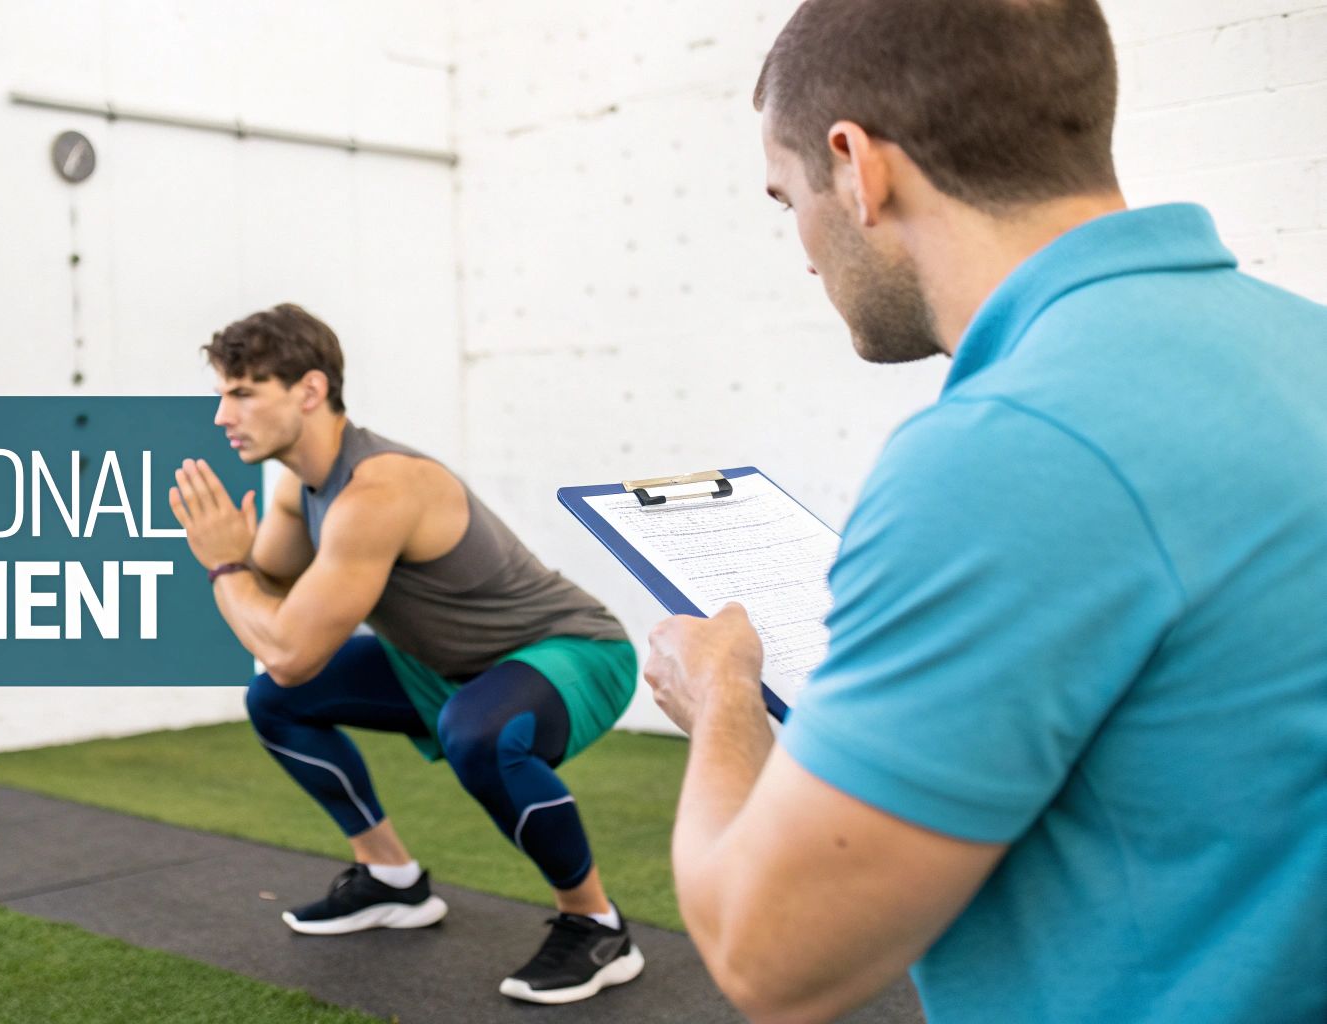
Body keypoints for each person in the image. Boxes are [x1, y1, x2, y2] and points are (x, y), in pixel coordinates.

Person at [641, 1, 1327, 1022]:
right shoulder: (1299, 345)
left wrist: (723, 696)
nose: (803, 250)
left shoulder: (1006, 449)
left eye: (785, 199)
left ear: (854, 164)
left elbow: (770, 954)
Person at [169, 304, 645, 1004]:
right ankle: (390, 879)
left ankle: (597, 926)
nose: (222, 416)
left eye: (242, 393)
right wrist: (239, 566)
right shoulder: (299, 488)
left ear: (308, 390)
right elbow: (276, 600)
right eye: (221, 395)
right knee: (276, 701)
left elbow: (287, 643)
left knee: (475, 731)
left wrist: (222, 569)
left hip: (571, 653)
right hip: (443, 668)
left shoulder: (381, 488)